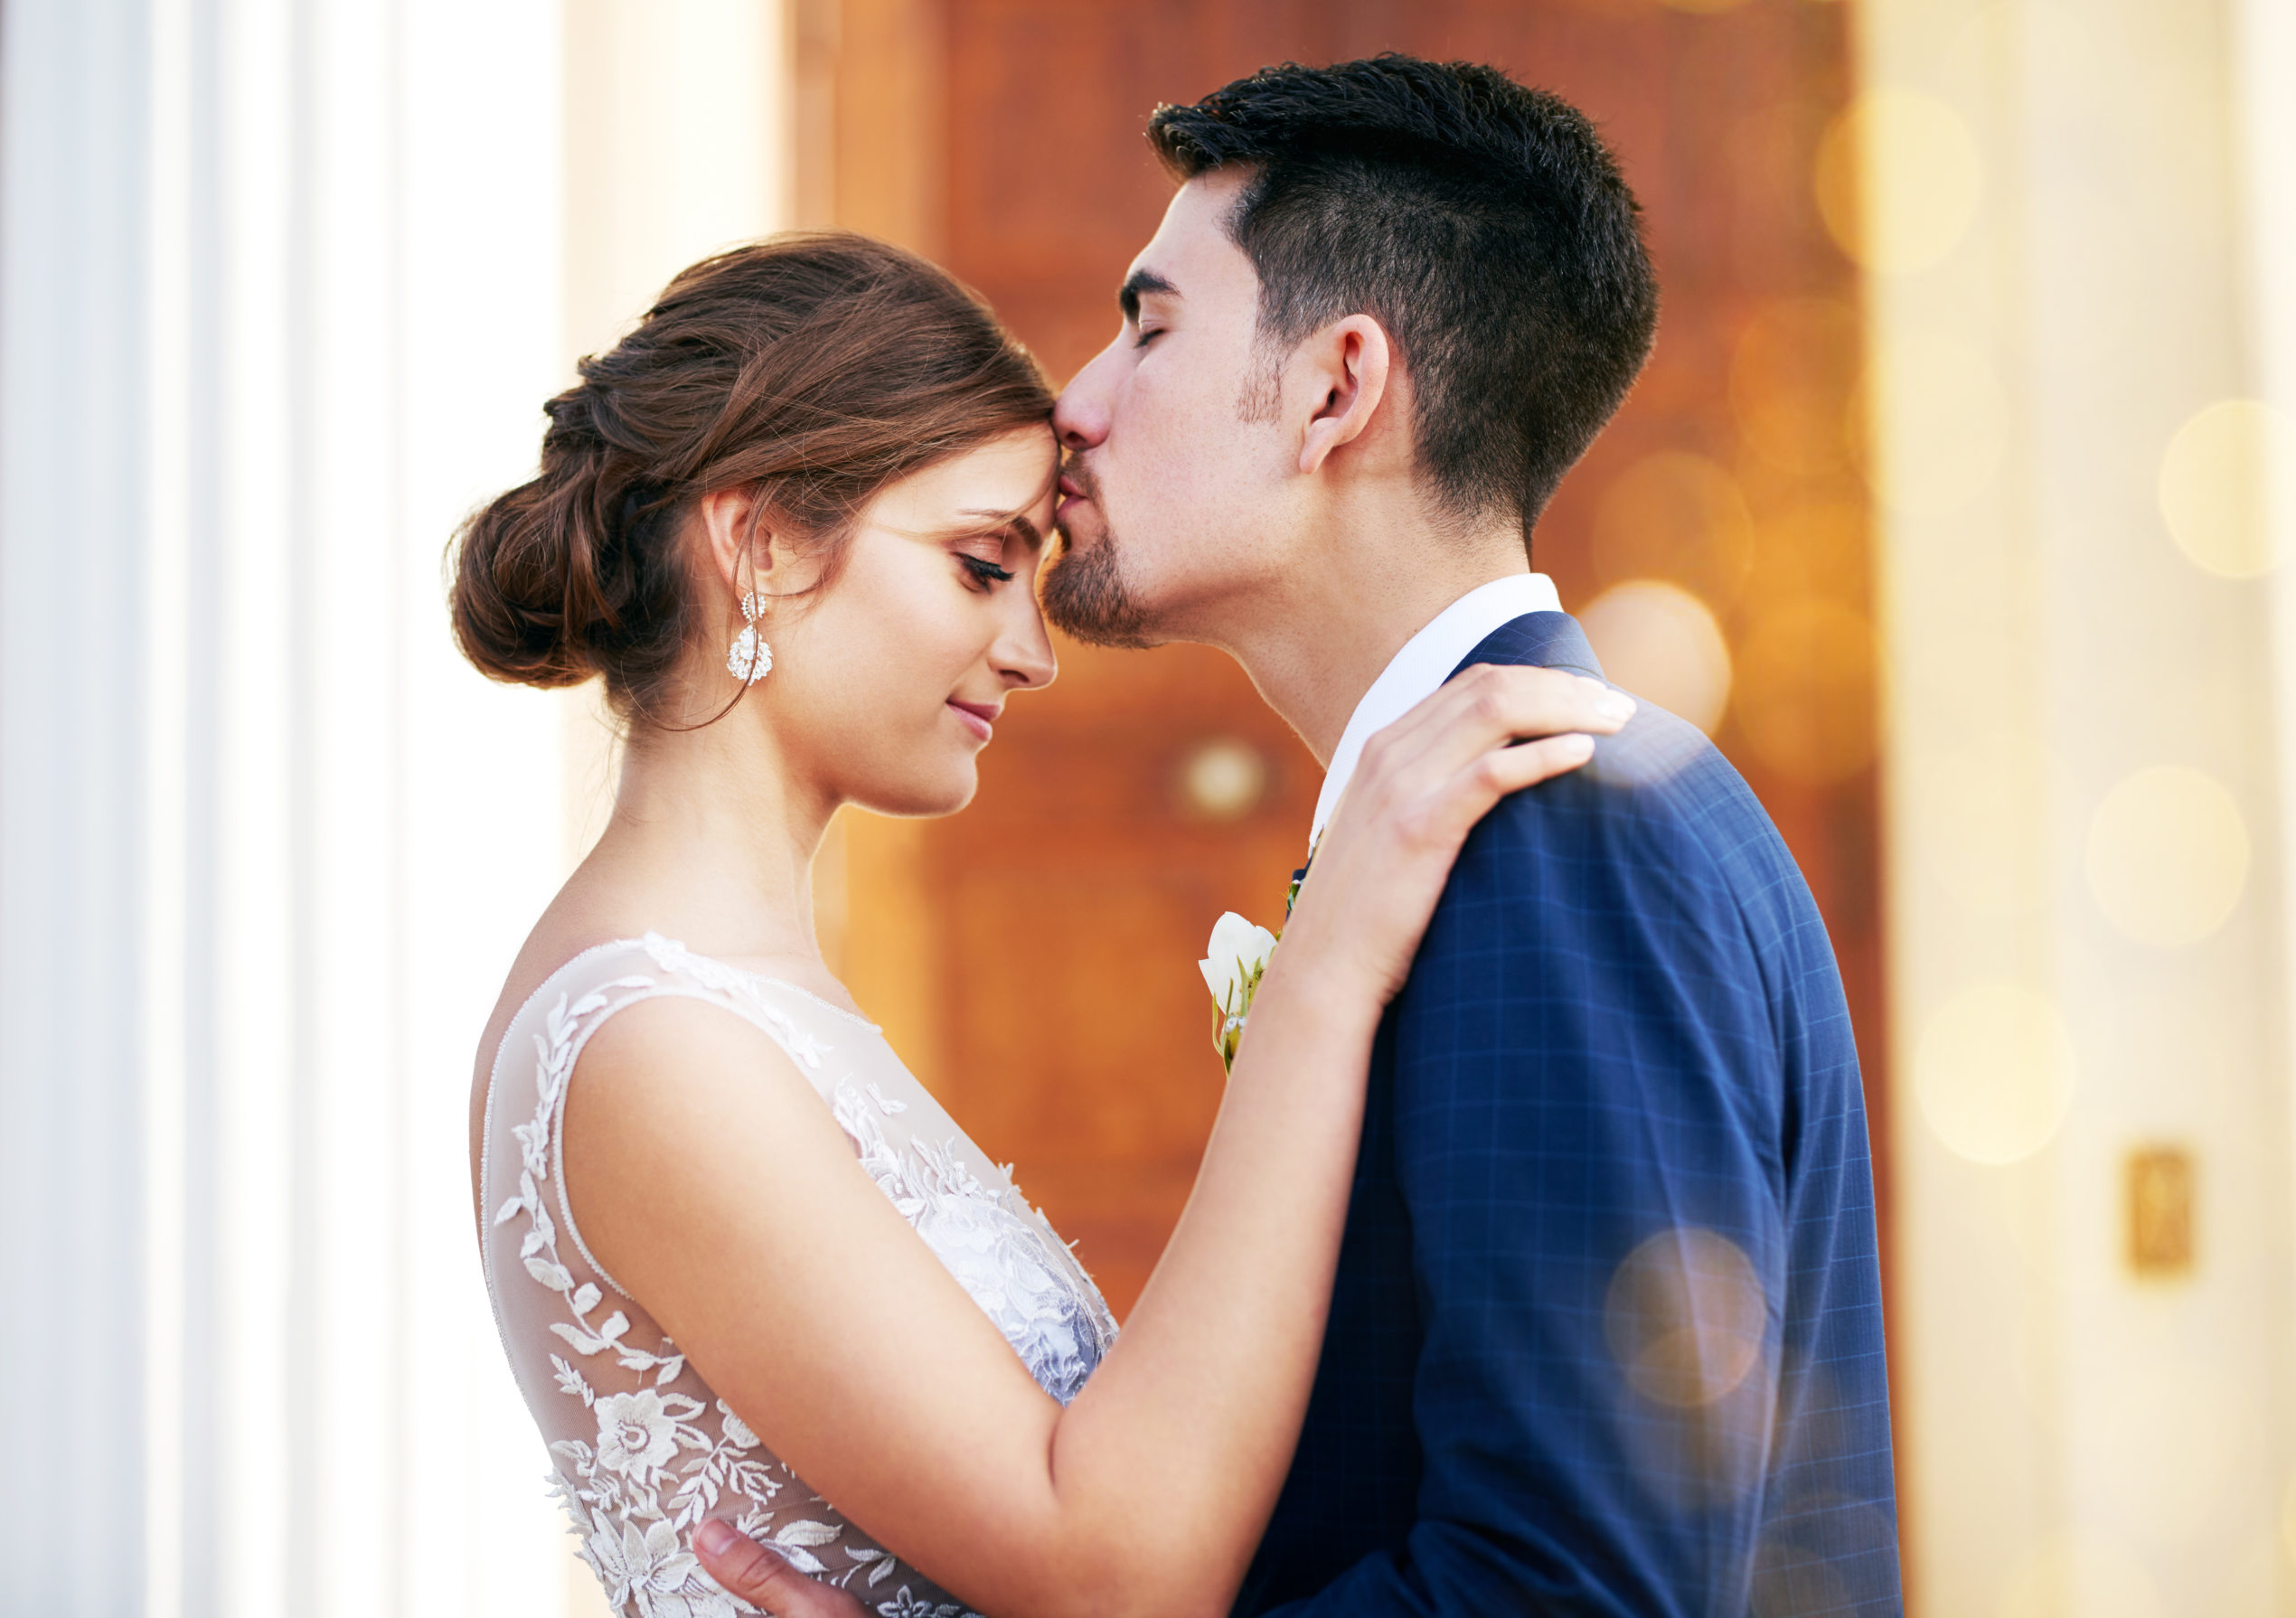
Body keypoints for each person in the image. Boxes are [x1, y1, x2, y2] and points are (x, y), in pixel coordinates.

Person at [701, 54, 1902, 1618]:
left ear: (1338, 388)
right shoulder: (1508, 817)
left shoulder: (1560, 841)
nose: (1076, 403)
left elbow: (1564, 1593)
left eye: (1152, 325)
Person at [456, 232, 1629, 1618]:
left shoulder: (739, 999)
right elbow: (1110, 1564)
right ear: (761, 540)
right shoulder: (651, 1045)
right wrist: (1325, 971)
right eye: (977, 564)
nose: (1033, 646)